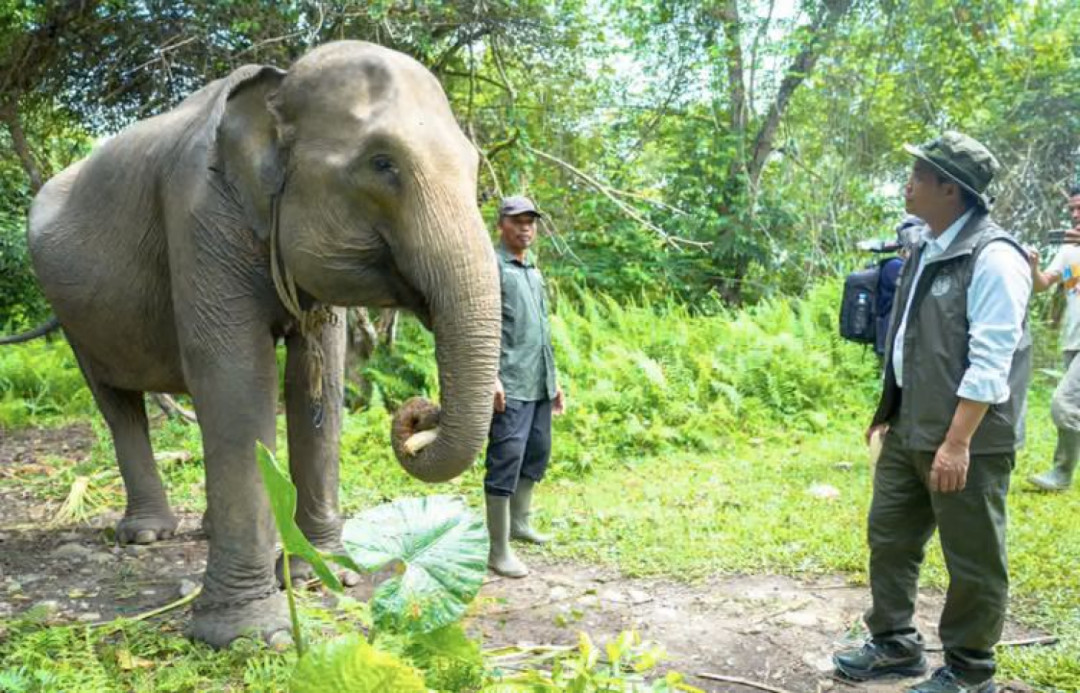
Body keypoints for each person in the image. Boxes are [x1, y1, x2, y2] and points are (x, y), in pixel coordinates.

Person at [833, 132, 1032, 693]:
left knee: (972, 558)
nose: (909, 184)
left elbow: (991, 360)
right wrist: (888, 409)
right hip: (908, 429)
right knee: (890, 538)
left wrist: (957, 442)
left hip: (967, 440)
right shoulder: (927, 244)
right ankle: (894, 645)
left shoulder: (993, 258)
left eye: (919, 175)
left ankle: (971, 672)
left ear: (951, 188)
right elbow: (906, 339)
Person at [485, 195, 565, 578]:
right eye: (518, 221)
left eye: (531, 221)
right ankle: (498, 550)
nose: (525, 227)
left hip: (538, 382)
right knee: (505, 459)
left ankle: (520, 523)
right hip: (509, 383)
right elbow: (482, 327)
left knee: (537, 452)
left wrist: (555, 380)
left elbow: (542, 331)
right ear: (501, 224)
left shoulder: (532, 270)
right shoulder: (492, 268)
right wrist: (491, 377)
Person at [1026, 185, 1080, 491]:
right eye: (1071, 209)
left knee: (1064, 403)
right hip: (1073, 340)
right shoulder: (1068, 250)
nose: (1074, 215)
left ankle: (1061, 473)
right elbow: (1043, 284)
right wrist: (1032, 267)